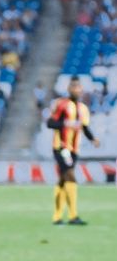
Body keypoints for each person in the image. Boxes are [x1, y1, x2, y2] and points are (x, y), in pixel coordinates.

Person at [47, 76, 100, 225]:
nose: (78, 90)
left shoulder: (83, 109)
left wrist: (93, 139)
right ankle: (73, 216)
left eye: (80, 88)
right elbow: (50, 123)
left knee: (63, 180)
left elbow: (84, 127)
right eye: (75, 88)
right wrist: (65, 123)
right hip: (61, 147)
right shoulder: (62, 105)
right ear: (69, 89)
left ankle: (57, 217)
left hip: (74, 149)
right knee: (70, 175)